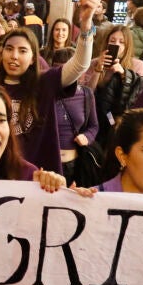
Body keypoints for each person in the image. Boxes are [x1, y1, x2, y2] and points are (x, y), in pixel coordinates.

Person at [0, 0, 98, 173]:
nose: (14, 56)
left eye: (23, 51)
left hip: (40, 179)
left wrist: (86, 25)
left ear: (34, 58)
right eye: (9, 49)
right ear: (1, 53)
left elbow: (79, 65)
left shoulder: (45, 83)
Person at [83, 24, 143, 149]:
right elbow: (87, 92)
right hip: (96, 119)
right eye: (112, 41)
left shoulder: (137, 65)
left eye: (121, 42)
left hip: (121, 122)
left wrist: (124, 74)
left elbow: (139, 94)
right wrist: (98, 69)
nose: (116, 44)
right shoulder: (95, 62)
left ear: (128, 45)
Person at [48, 48, 97, 187]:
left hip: (75, 165)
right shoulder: (44, 93)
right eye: (59, 70)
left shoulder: (86, 94)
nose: (65, 76)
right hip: (48, 165)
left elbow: (94, 126)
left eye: (69, 71)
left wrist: (87, 137)